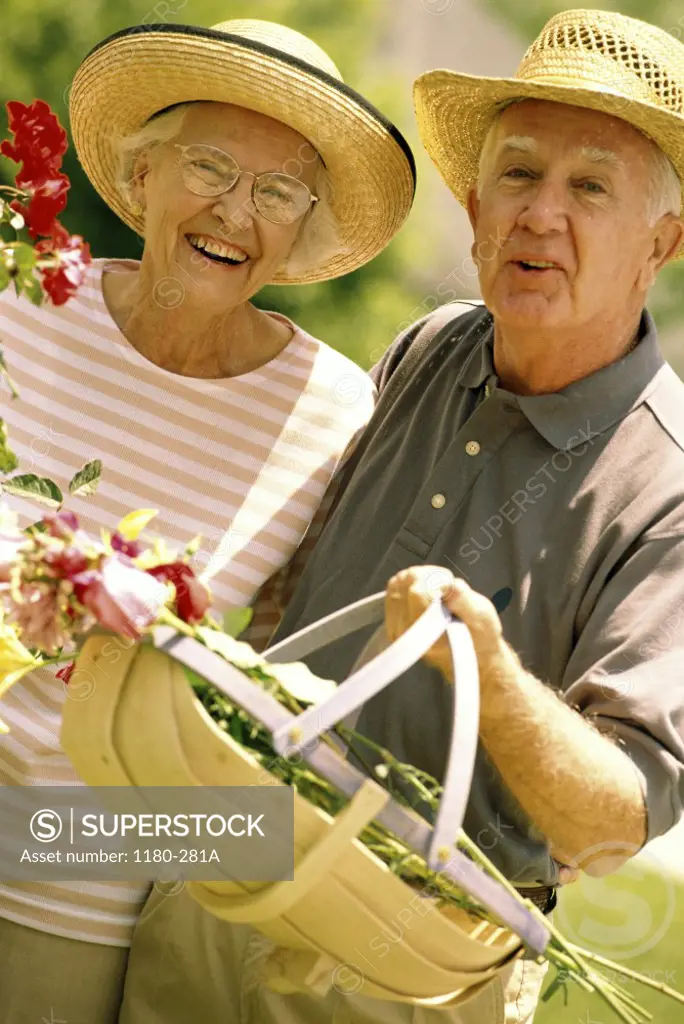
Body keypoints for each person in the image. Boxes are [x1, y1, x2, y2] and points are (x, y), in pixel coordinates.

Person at [117, 7, 684, 1024]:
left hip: (406, 947)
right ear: (473, 207)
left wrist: (492, 673)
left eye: (590, 186)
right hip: (219, 857)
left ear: (664, 242)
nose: (539, 213)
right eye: (517, 174)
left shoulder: (667, 485)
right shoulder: (430, 346)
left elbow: (616, 822)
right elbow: (289, 580)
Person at [0, 16, 416, 1024]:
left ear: (303, 233)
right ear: (143, 175)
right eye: (211, 166)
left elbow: (272, 698)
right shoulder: (23, 307)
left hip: (85, 889)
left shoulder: (331, 412)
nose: (237, 211)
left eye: (277, 192)